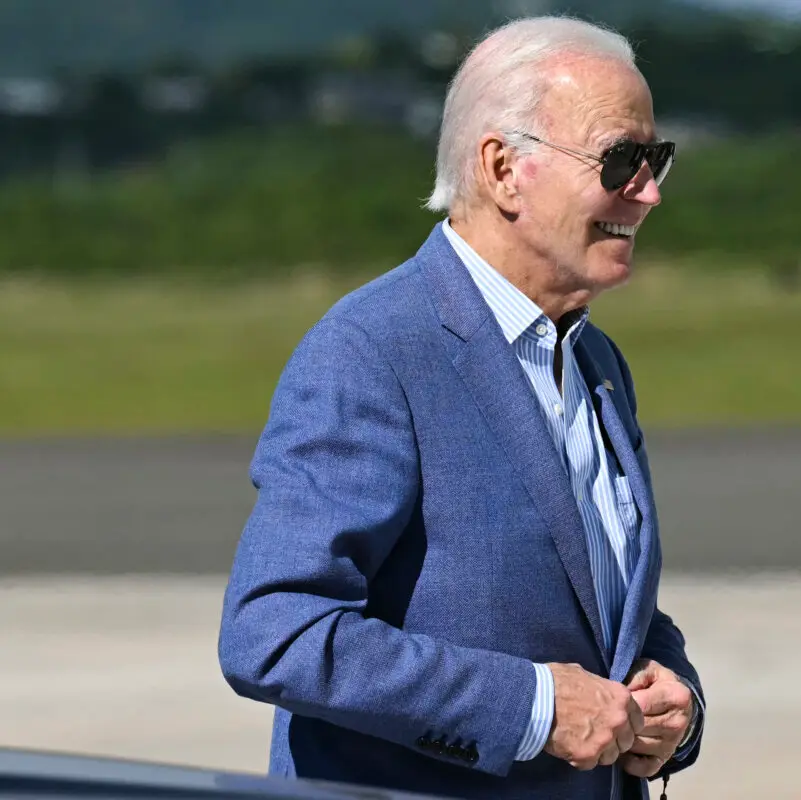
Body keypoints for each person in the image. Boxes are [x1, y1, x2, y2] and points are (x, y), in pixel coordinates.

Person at [217, 14, 704, 800]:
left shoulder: (594, 359)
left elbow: (590, 607)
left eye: (656, 160)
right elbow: (276, 634)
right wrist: (535, 708)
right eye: (620, 160)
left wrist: (670, 697)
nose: (646, 192)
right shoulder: (373, 350)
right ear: (503, 167)